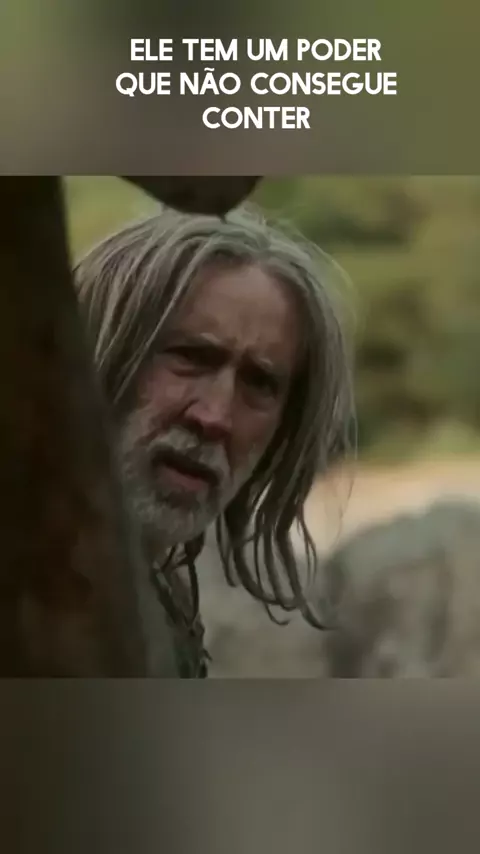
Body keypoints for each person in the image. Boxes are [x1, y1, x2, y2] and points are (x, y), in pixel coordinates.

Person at [74, 204, 354, 677]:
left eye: (259, 382)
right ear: (101, 347)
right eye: (190, 356)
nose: (215, 417)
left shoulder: (164, 616)